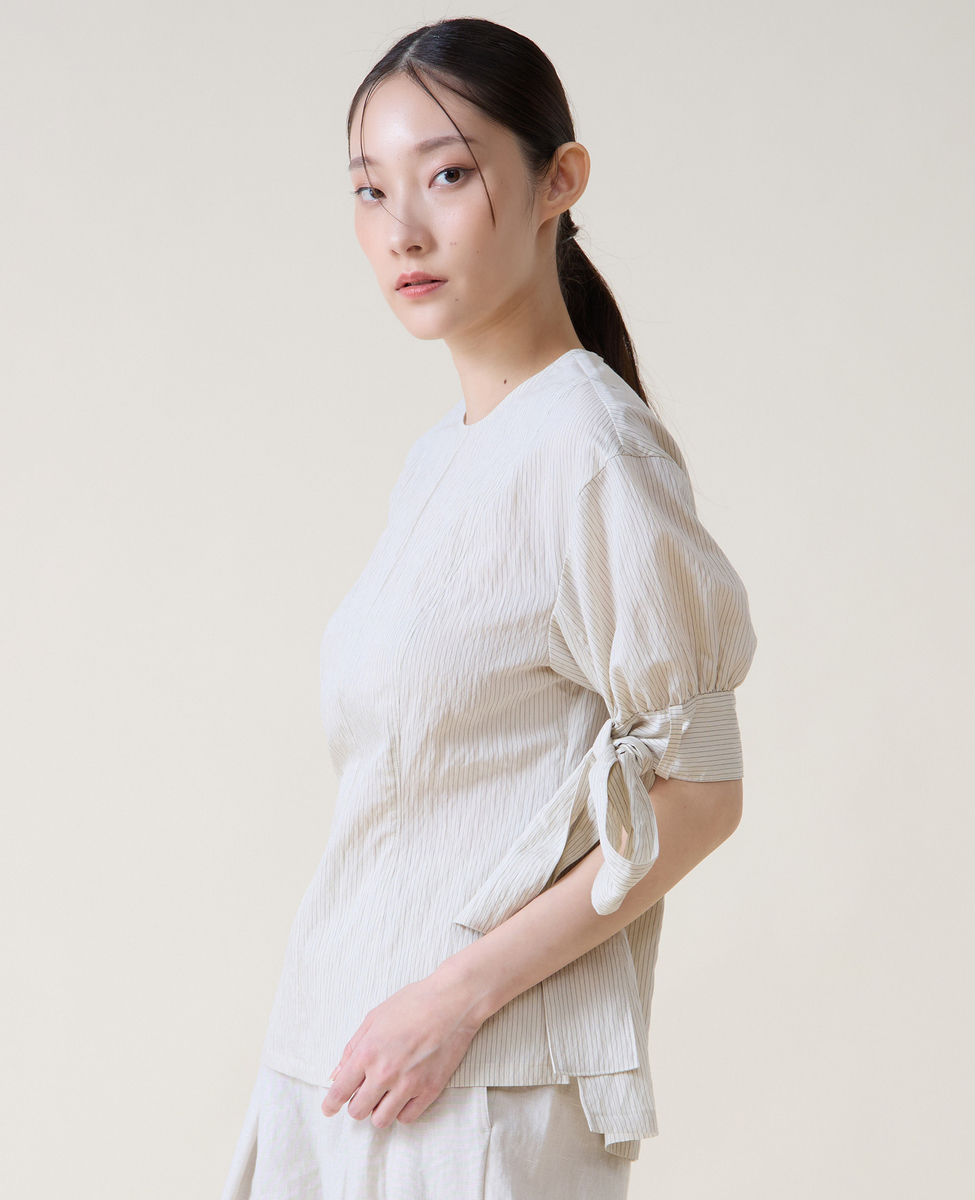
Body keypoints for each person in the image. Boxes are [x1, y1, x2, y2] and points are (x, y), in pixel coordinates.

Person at [220, 17, 758, 1200]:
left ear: (559, 180)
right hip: (336, 1062)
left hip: (473, 1091)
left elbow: (702, 792)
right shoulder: (446, 456)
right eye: (370, 189)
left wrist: (453, 1000)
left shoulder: (590, 451)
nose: (402, 230)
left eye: (449, 175)